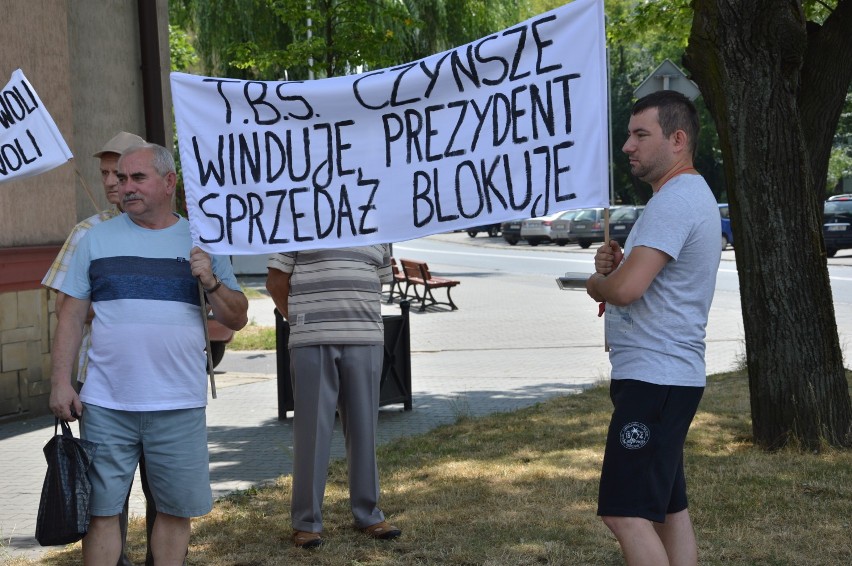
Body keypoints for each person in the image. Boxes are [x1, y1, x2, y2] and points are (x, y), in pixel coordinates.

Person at [48, 143, 249, 565]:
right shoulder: (96, 239)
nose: (125, 187)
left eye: (137, 178)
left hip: (179, 403)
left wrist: (211, 282)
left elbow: (237, 318)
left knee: (175, 512)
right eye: (122, 178)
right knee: (101, 513)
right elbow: (70, 316)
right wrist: (61, 382)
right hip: (106, 403)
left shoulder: (203, 239)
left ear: (170, 182)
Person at [585, 90, 721, 566]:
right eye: (628, 134)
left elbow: (626, 291)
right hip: (666, 378)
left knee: (623, 512)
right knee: (667, 508)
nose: (628, 146)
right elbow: (636, 277)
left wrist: (599, 282)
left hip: (655, 380)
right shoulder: (684, 195)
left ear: (678, 139)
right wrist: (616, 266)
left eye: (641, 134)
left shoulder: (675, 199)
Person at [42, 131, 151, 566]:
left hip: (163, 384)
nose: (110, 181)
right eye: (104, 172)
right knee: (108, 489)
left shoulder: (174, 228)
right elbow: (62, 309)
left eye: (119, 170)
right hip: (99, 382)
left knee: (163, 489)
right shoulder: (87, 231)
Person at [266, 246, 402, 548]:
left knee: (365, 432)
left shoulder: (375, 222)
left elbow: (379, 280)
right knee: (311, 434)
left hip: (365, 339)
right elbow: (275, 282)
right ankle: (306, 522)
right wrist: (302, 320)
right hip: (312, 341)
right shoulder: (300, 215)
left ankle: (369, 515)